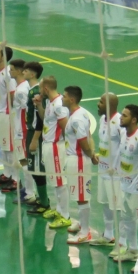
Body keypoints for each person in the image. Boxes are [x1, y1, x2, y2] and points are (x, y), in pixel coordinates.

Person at [113, 104, 138, 265]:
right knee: (127, 219)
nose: (121, 118)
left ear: (134, 119)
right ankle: (133, 250)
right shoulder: (123, 133)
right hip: (124, 186)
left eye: (124, 116)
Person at [61, 86, 98, 244]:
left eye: (64, 96)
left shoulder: (76, 119)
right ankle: (82, 224)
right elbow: (89, 135)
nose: (62, 98)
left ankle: (85, 232)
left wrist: (91, 155)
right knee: (78, 193)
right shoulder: (79, 113)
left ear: (72, 99)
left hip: (79, 160)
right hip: (75, 159)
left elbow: (83, 140)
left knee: (82, 196)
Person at [33, 76, 70, 228]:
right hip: (49, 145)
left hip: (56, 146)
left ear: (46, 88)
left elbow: (66, 128)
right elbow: (46, 119)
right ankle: (59, 209)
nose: (39, 90)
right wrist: (40, 106)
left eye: (41, 88)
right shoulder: (50, 103)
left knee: (60, 182)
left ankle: (65, 215)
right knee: (55, 181)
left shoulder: (59, 105)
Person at [91, 93, 124, 248]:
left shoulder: (119, 123)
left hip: (115, 174)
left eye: (101, 102)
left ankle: (122, 242)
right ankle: (108, 235)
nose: (98, 104)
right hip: (103, 169)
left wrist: (115, 165)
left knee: (118, 207)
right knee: (105, 203)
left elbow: (123, 146)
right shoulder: (102, 120)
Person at [3, 59, 35, 201]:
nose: (10, 71)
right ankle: (27, 189)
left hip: (22, 131)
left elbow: (28, 111)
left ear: (20, 71)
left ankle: (30, 193)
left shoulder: (22, 90)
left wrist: (26, 130)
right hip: (20, 130)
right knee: (23, 161)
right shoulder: (21, 86)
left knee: (24, 161)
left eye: (12, 69)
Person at [0, 46, 17, 187]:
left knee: (10, 148)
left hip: (5, 114)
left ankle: (16, 179)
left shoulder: (7, 74)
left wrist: (11, 114)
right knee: (3, 147)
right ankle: (7, 174)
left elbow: (12, 95)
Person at [23, 61, 47, 211]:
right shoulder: (31, 90)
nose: (23, 72)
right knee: (32, 167)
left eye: (26, 71)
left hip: (35, 134)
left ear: (32, 74)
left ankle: (44, 202)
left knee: (37, 168)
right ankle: (41, 197)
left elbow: (40, 118)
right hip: (30, 132)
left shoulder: (36, 92)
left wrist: (34, 139)